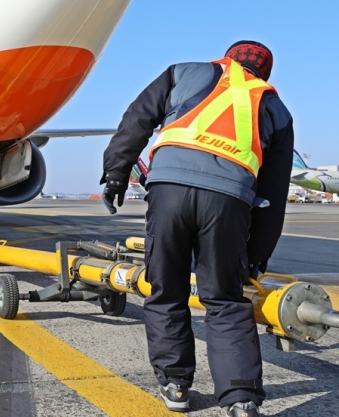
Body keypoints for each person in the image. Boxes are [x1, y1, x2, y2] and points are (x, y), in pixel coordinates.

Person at [100, 41, 293, 416]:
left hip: (168, 188)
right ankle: (240, 401)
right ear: (263, 74)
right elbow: (273, 194)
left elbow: (137, 120)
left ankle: (175, 385)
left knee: (166, 288)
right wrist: (256, 257)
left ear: (226, 58)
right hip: (229, 199)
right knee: (224, 299)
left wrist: (115, 174)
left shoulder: (183, 71)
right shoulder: (274, 107)